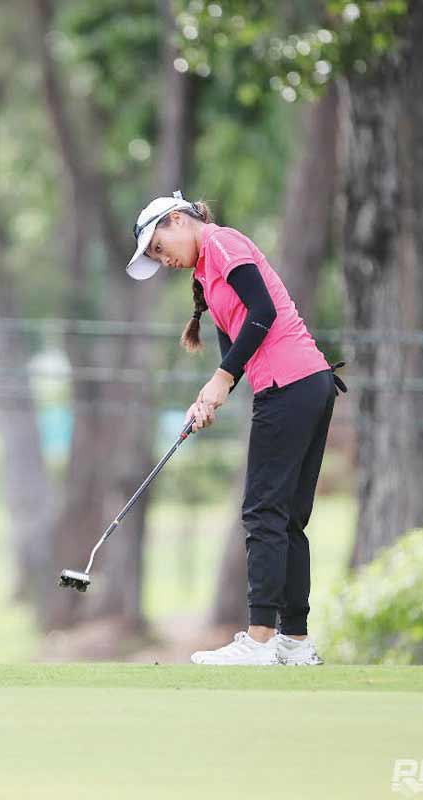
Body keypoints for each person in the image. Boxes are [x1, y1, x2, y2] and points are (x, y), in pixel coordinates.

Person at [127, 192, 343, 666]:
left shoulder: (222, 243)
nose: (164, 261)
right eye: (156, 258)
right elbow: (236, 353)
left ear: (179, 220)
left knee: (263, 513)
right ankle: (294, 641)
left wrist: (221, 380)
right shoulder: (206, 274)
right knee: (285, 519)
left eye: (160, 248)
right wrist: (211, 397)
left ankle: (261, 640)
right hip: (304, 384)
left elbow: (263, 313)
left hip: (292, 386)